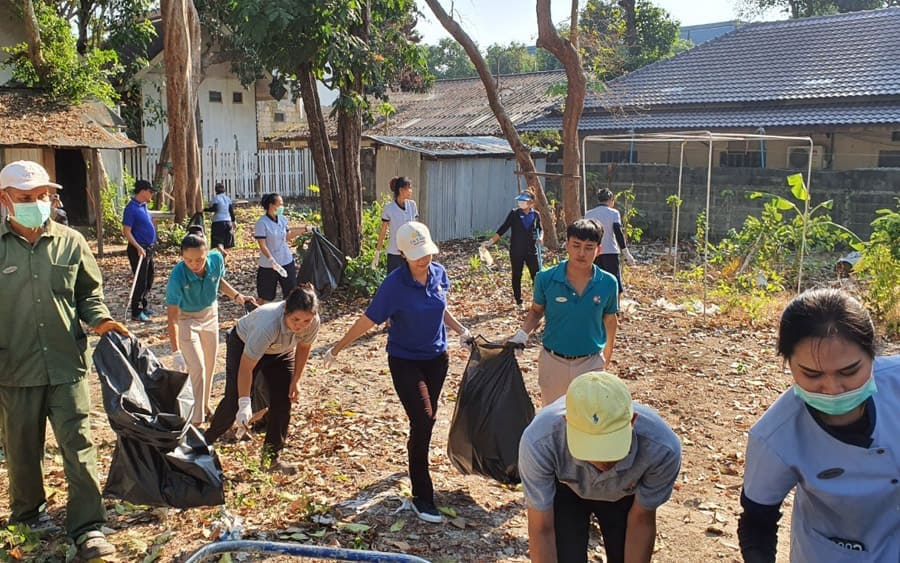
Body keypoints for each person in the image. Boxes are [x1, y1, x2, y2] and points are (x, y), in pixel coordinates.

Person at [0, 160, 132, 559]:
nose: (37, 203)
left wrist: (101, 320)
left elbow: (88, 295)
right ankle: (27, 518)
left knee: (79, 446)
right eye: (26, 198)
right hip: (13, 368)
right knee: (21, 450)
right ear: (4, 199)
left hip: (66, 364)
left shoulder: (71, 242)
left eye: (43, 196)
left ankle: (89, 527)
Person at [738, 288, 900, 562]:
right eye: (812, 374)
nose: (833, 389)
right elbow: (757, 523)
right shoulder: (775, 437)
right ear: (789, 364)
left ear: (873, 355)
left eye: (849, 371)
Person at [325, 221, 471, 523]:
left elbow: (439, 307)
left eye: (427, 252)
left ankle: (416, 459)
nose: (424, 259)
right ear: (403, 253)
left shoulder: (439, 274)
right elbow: (369, 319)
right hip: (405, 360)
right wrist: (338, 347)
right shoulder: (394, 284)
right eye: (417, 254)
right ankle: (422, 494)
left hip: (437, 359)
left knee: (426, 422)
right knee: (423, 418)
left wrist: (461, 330)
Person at [519, 371, 682, 563]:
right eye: (593, 448)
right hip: (566, 490)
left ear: (632, 421)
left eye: (610, 447)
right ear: (566, 423)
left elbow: (641, 520)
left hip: (624, 495)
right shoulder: (539, 441)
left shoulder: (662, 448)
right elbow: (542, 528)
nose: (603, 462)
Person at [205, 284, 320, 474]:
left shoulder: (313, 322)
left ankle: (271, 459)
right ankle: (202, 443)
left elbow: (303, 348)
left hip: (280, 351)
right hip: (243, 344)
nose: (300, 326)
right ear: (285, 310)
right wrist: (244, 403)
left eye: (306, 321)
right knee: (234, 400)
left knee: (283, 401)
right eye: (295, 319)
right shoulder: (268, 324)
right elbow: (246, 367)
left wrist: (296, 381)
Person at [508, 219, 619, 406]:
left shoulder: (608, 283)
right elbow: (536, 311)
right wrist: (521, 335)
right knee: (553, 418)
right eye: (576, 245)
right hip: (553, 360)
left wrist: (606, 359)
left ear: (598, 250)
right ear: (567, 245)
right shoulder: (546, 278)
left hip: (590, 362)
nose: (581, 253)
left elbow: (610, 320)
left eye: (589, 247)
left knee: (587, 419)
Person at [165, 227, 255, 425]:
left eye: (199, 259)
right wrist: (176, 351)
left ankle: (204, 405)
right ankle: (196, 421)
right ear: (182, 257)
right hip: (186, 318)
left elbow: (218, 280)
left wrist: (239, 297)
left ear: (207, 253)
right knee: (197, 367)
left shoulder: (216, 259)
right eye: (189, 260)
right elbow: (171, 316)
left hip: (209, 314)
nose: (194, 264)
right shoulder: (178, 275)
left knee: (210, 364)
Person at [481, 187, 544, 311]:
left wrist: (541, 238)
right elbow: (503, 228)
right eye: (520, 201)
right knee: (517, 275)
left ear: (531, 202)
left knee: (536, 276)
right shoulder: (514, 213)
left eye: (524, 201)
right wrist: (491, 241)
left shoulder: (536, 214)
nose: (521, 203)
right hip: (516, 250)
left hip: (531, 250)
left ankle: (538, 301)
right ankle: (519, 301)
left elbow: (540, 229)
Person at [254, 193, 314, 303]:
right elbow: (262, 245)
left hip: (285, 260)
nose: (282, 207)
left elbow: (287, 235)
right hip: (268, 265)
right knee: (265, 295)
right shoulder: (261, 223)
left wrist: (305, 229)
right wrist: (271, 260)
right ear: (271, 205)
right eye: (280, 204)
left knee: (291, 292)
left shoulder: (282, 219)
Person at [584, 188, 635, 294]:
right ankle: (615, 307)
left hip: (594, 252)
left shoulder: (588, 214)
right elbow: (618, 232)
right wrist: (625, 251)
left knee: (595, 280)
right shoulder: (614, 213)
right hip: (611, 251)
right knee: (614, 281)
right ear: (611, 200)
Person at [122, 179, 158, 322]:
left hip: (148, 248)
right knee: (140, 280)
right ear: (142, 191)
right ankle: (136, 312)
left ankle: (144, 305)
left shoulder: (143, 206)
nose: (152, 194)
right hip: (138, 249)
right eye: (150, 191)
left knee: (149, 278)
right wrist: (138, 247)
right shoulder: (131, 208)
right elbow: (127, 231)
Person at [372, 176, 419, 273]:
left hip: (410, 252)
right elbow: (383, 231)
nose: (411, 191)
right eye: (409, 188)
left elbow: (415, 228)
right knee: (394, 283)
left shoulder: (412, 205)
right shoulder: (389, 208)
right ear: (401, 190)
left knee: (409, 283)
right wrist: (377, 252)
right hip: (394, 253)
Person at [204, 182, 235, 253]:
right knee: (227, 242)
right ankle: (224, 260)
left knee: (218, 240)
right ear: (224, 190)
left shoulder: (216, 198)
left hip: (218, 222)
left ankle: (222, 251)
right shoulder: (228, 198)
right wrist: (233, 221)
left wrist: (204, 209)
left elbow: (214, 209)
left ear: (216, 190)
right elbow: (231, 211)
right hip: (228, 221)